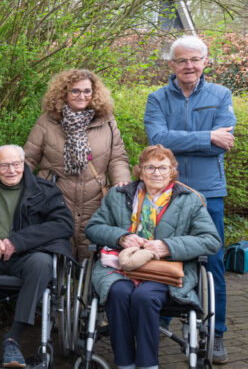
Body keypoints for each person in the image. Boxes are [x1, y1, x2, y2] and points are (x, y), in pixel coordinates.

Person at [144, 35, 236, 363]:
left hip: (208, 192)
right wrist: (206, 135)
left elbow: (221, 144)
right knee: (162, 256)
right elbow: (158, 140)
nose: (189, 66)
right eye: (182, 60)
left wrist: (203, 140)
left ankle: (217, 332)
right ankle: (160, 321)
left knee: (211, 263)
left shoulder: (221, 95)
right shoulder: (157, 98)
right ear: (172, 64)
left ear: (205, 62)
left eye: (195, 59)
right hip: (165, 192)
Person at [86, 145, 220, 369]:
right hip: (122, 266)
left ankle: (148, 364)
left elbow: (210, 240)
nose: (157, 173)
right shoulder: (118, 196)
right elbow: (94, 228)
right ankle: (125, 362)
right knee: (118, 292)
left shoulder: (190, 200)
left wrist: (168, 246)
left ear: (172, 171)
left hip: (165, 270)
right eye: (150, 167)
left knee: (144, 297)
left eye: (163, 167)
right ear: (140, 170)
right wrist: (122, 237)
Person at [0, 145, 73, 366]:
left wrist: (17, 242)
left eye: (17, 164)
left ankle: (13, 338)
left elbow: (64, 224)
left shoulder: (45, 191)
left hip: (27, 257)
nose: (12, 170)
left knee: (43, 262)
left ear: (24, 163)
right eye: (5, 165)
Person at [24, 69, 130, 262]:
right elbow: (29, 159)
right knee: (56, 243)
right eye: (75, 91)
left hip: (94, 195)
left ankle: (84, 288)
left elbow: (117, 157)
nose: (81, 96)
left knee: (90, 244)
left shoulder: (107, 122)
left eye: (86, 91)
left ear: (94, 93)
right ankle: (56, 287)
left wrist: (121, 181)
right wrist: (19, 187)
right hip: (53, 194)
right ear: (64, 92)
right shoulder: (47, 121)